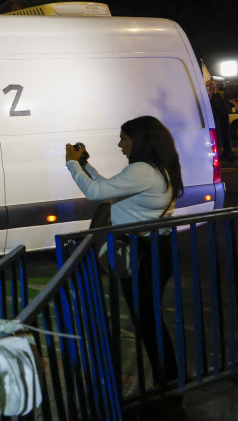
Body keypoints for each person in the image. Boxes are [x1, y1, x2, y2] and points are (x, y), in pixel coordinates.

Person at [65, 115, 183, 383]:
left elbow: (96, 193)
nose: (120, 145)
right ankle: (167, 380)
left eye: (124, 139)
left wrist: (72, 164)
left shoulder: (141, 170)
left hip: (143, 254)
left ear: (139, 141)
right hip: (155, 250)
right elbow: (109, 191)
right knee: (148, 318)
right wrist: (86, 165)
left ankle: (168, 383)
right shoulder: (158, 168)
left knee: (148, 322)